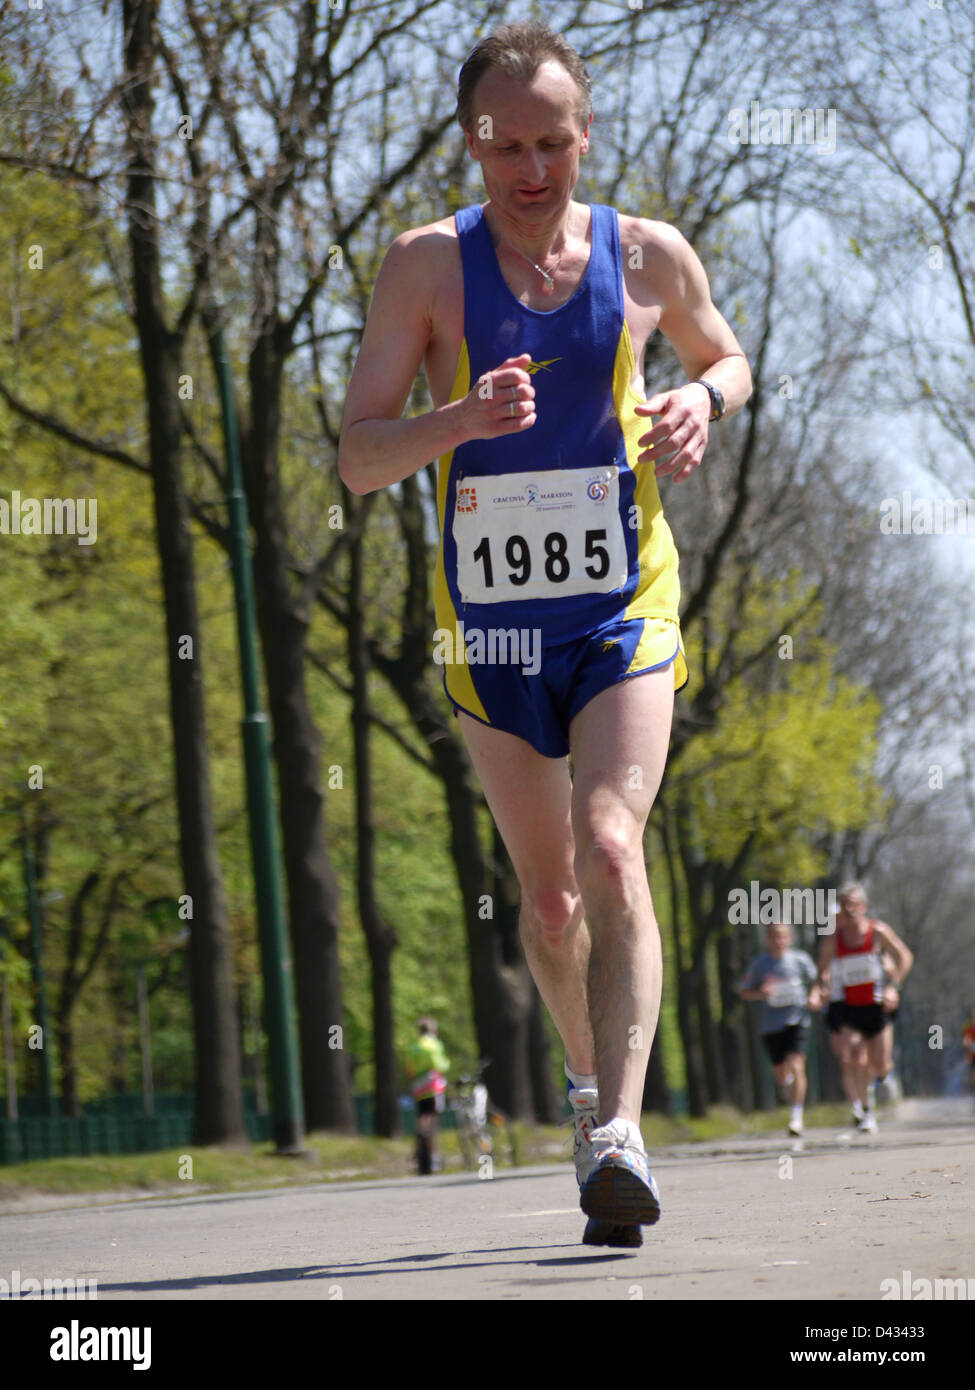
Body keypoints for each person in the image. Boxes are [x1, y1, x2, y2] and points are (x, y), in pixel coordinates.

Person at [339, 21, 751, 1245]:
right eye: (505, 144)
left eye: (553, 143)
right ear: (472, 142)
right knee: (555, 903)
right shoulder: (423, 269)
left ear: (586, 137)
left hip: (626, 602)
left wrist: (697, 400)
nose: (530, 169)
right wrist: (455, 417)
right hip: (492, 628)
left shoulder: (645, 253)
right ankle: (587, 1091)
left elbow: (727, 356)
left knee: (617, 845)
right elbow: (360, 458)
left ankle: (620, 1131)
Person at [817, 882, 913, 1134]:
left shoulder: (878, 931)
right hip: (846, 1006)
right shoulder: (833, 939)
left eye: (853, 903)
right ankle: (865, 1110)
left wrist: (894, 986)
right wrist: (823, 986)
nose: (848, 909)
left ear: (864, 906)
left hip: (876, 1004)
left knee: (880, 1064)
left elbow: (905, 957)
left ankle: (880, 1082)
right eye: (843, 903)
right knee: (852, 1056)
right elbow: (822, 971)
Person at [739, 922, 818, 1137]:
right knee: (781, 1073)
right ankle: (787, 1086)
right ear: (767, 939)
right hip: (771, 1025)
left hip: (797, 1020)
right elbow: (744, 991)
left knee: (797, 1064)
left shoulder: (801, 961)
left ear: (790, 938)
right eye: (774, 936)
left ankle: (796, 1117)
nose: (778, 940)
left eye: (782, 936)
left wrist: (814, 995)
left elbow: (817, 982)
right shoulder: (759, 965)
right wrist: (761, 993)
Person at [405, 1017, 451, 1174]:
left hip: (419, 1086)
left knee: (422, 1116)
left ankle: (419, 1147)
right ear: (432, 1030)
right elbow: (441, 1065)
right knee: (433, 1120)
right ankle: (434, 1158)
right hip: (433, 1086)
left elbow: (409, 1070)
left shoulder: (414, 1046)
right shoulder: (434, 1045)